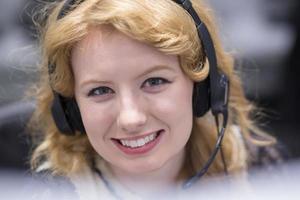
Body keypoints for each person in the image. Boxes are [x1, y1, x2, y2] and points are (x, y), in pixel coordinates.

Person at [28, 0, 281, 199]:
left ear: (203, 88)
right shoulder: (48, 192)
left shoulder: (255, 169)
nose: (131, 118)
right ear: (70, 108)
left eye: (154, 82)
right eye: (100, 91)